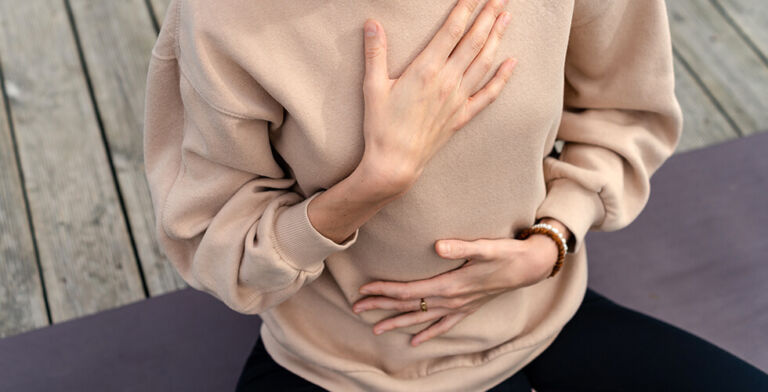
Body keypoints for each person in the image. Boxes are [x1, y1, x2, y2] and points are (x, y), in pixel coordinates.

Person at [142, 0, 768, 391]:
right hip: (343, 367)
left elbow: (624, 113)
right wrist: (372, 184)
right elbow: (214, 243)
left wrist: (551, 240)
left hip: (544, 315)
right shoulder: (223, 17)